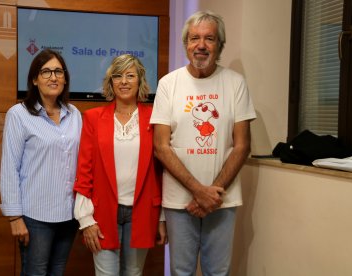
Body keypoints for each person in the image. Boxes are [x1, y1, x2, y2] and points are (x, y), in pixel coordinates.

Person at [150, 11, 257, 276]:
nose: (201, 45)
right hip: (179, 201)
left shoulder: (235, 83)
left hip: (222, 199)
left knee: (218, 272)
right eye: (194, 38)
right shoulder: (168, 84)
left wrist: (212, 193)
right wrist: (198, 190)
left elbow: (242, 145)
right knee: (180, 270)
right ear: (186, 43)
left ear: (219, 45)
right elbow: (161, 146)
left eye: (209, 38)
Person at [73, 54, 167, 276]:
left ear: (140, 81)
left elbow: (161, 173)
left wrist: (162, 217)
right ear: (111, 82)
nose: (123, 81)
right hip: (103, 212)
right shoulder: (93, 118)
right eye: (117, 76)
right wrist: (85, 219)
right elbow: (84, 169)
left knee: (133, 274)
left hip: (143, 213)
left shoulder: (155, 119)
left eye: (130, 75)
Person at [0, 49, 82, 275]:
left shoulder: (74, 114)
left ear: (65, 78)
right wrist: (14, 217)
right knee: (35, 272)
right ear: (35, 79)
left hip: (69, 214)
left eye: (58, 71)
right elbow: (9, 167)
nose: (53, 77)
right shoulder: (18, 114)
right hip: (35, 216)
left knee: (57, 271)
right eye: (45, 72)